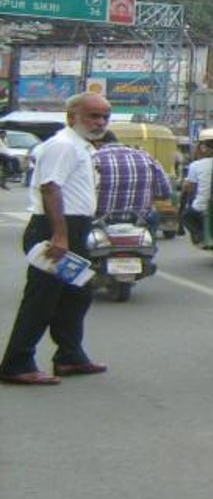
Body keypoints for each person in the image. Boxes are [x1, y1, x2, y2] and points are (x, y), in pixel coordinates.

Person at [0, 93, 113, 385]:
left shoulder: (81, 147)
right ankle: (17, 363)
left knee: (77, 294)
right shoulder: (63, 146)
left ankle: (70, 356)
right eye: (93, 115)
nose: (100, 122)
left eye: (104, 116)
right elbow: (51, 188)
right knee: (42, 299)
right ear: (72, 116)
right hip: (54, 231)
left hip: (74, 230)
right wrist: (60, 236)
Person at [94, 130, 173, 235]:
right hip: (139, 222)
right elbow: (165, 192)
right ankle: (151, 243)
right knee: (154, 215)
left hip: (101, 222)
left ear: (97, 143)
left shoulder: (94, 158)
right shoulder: (147, 158)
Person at [180, 142, 213, 243]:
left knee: (186, 215)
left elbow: (190, 187)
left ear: (203, 149)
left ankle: (200, 234)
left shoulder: (196, 165)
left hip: (204, 205)